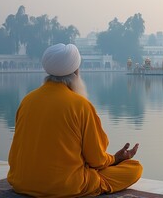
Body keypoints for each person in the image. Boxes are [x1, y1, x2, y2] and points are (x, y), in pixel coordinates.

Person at [7, 43, 143, 197]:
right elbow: (96, 160)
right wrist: (116, 158)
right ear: (76, 72)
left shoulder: (28, 100)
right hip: (64, 186)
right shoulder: (80, 105)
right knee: (134, 168)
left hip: (21, 182)